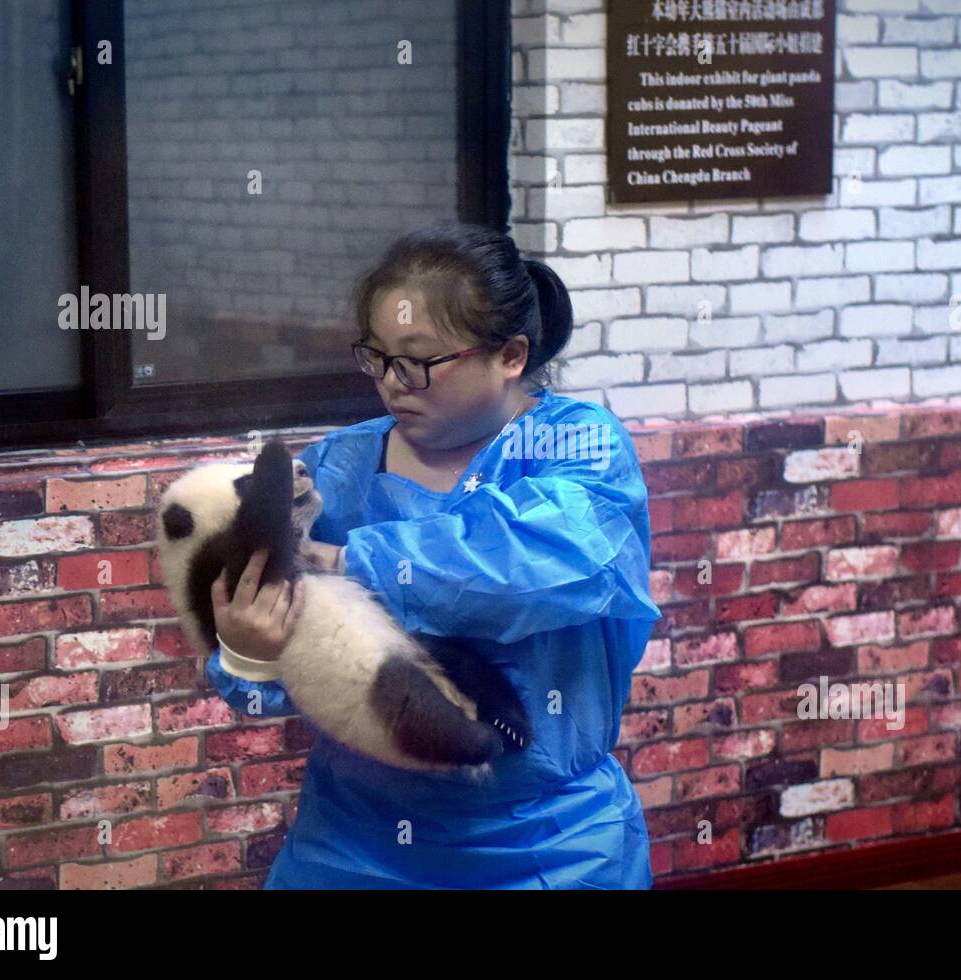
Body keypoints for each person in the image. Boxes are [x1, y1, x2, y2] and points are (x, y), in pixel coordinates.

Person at [204, 221, 663, 889]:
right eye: (377, 357)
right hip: (355, 844)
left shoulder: (578, 447)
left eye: (420, 360)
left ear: (509, 355)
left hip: (548, 844)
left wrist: (338, 564)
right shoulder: (338, 468)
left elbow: (522, 569)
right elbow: (279, 680)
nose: (393, 383)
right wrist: (248, 650)